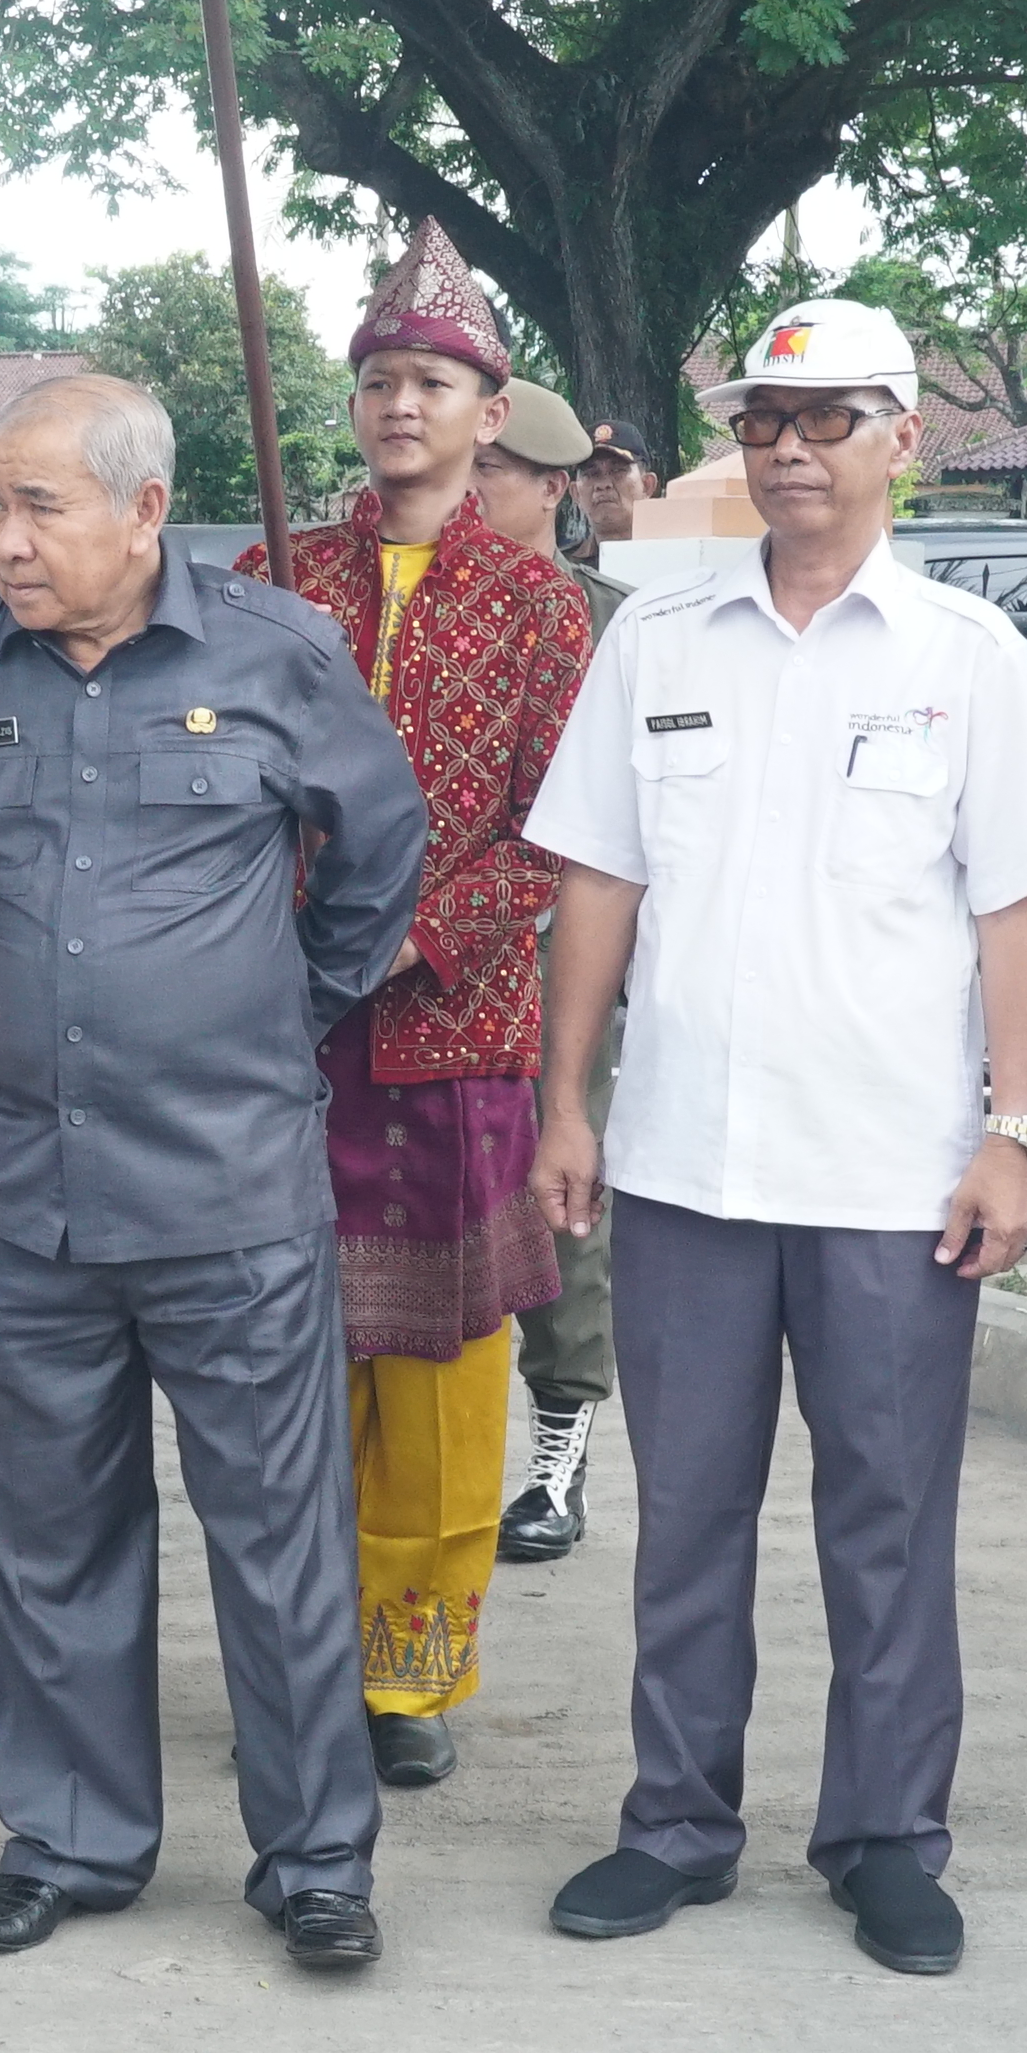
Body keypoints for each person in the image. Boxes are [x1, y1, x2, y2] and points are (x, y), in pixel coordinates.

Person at [523, 296, 1027, 1980]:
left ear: (901, 438)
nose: (790, 448)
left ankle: (887, 1839)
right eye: (767, 420)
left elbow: (1016, 917)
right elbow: (598, 883)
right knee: (685, 1512)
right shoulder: (661, 643)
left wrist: (1009, 1132)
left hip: (891, 1174)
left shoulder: (961, 656)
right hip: (690, 1161)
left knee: (888, 1521)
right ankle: (676, 1824)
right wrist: (569, 1096)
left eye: (829, 418)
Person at [0, 372, 428, 1971]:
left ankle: (317, 1857)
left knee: (279, 1537)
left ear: (144, 510)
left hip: (227, 1187)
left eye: (39, 506)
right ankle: (71, 1838)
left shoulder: (276, 659)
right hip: (11, 1184)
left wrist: (274, 1015)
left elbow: (378, 855)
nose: (5, 540)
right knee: (38, 1535)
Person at [238, 226, 585, 1791]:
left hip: (454, 1039)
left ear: (486, 409)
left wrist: (415, 935)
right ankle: (299, 1647)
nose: (400, 404)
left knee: (441, 1374)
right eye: (379, 378)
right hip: (279, 1039)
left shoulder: (537, 607)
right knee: (286, 1357)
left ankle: (412, 1668)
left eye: (431, 380)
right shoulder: (273, 576)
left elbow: (563, 833)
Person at [478, 376, 623, 1563]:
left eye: (492, 472)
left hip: (560, 958)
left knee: (561, 1208)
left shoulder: (611, 623)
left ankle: (558, 1453)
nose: (465, 491)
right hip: (427, 963)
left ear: (551, 486)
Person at [572, 424, 659, 581]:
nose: (603, 484)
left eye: (618, 471)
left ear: (647, 485)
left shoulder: (671, 557)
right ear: (575, 493)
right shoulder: (562, 570)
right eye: (591, 474)